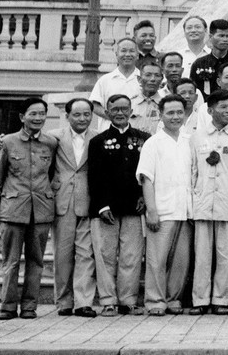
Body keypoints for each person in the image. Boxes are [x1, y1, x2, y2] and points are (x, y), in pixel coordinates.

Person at [0, 98, 57, 320]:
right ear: (22, 117)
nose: (38, 118)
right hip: (13, 210)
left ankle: (29, 306)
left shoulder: (50, 143)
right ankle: (7, 306)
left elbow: (53, 174)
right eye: (33, 114)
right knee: (10, 262)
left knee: (36, 262)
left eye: (41, 114)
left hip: (41, 211)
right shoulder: (7, 142)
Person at [87, 94, 148, 317]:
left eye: (124, 109)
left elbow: (148, 173)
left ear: (131, 110)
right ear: (107, 111)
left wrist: (144, 196)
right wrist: (102, 205)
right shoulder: (98, 141)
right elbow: (94, 177)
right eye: (115, 109)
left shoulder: (143, 139)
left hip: (134, 206)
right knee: (105, 255)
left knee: (131, 256)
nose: (120, 113)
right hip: (106, 209)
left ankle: (128, 299)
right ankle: (108, 300)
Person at [137, 94, 193, 316]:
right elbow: (146, 178)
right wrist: (152, 210)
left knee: (181, 261)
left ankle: (173, 299)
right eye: (170, 112)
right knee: (157, 259)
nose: (175, 117)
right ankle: (155, 300)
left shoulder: (190, 140)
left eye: (179, 112)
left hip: (186, 210)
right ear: (161, 115)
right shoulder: (153, 143)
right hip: (162, 209)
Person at [188, 89, 228, 315]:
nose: (227, 111)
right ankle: (200, 300)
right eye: (223, 107)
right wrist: (191, 204)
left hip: (227, 202)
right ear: (210, 110)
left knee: (225, 254)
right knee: (202, 256)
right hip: (202, 201)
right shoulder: (197, 136)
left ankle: (221, 299)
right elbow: (191, 171)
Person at [50, 98, 98, 318]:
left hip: (88, 199)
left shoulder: (97, 138)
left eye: (86, 114)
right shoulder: (54, 137)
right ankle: (64, 301)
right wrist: (1, 141)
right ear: (67, 115)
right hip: (63, 200)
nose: (82, 119)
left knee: (86, 253)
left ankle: (83, 302)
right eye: (77, 115)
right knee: (63, 254)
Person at [189, 19, 228, 97]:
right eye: (221, 36)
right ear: (211, 37)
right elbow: (193, 90)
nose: (225, 40)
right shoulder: (199, 64)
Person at [89, 38, 141, 119]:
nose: (127, 54)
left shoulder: (144, 80)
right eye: (123, 51)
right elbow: (94, 105)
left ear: (137, 55)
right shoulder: (105, 80)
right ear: (116, 54)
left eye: (132, 51)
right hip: (110, 129)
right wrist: (113, 118)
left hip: (138, 129)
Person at [128, 60, 164, 135]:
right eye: (148, 75)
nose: (153, 79)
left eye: (157, 75)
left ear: (161, 79)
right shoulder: (129, 103)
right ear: (139, 79)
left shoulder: (165, 105)